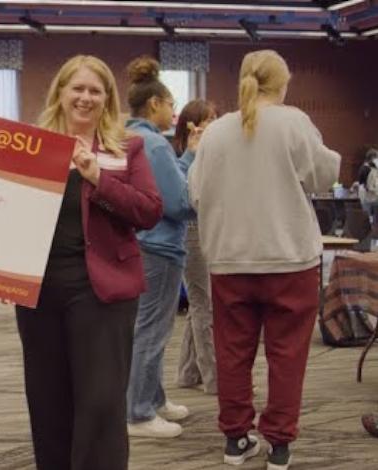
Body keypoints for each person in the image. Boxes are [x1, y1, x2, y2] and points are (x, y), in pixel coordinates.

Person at [189, 50, 340, 470]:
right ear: (283, 83)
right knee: (287, 356)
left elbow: (194, 193)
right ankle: (278, 447)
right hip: (289, 258)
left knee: (232, 354)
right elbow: (325, 176)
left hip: (229, 261)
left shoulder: (216, 132)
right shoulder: (294, 122)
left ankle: (236, 441)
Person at [15, 54, 162, 470]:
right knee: (47, 400)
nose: (85, 97)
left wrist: (98, 176)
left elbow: (149, 210)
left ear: (107, 98)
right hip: (38, 290)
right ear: (60, 93)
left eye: (94, 90)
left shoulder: (127, 147)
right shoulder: (30, 144)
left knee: (100, 402)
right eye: (76, 88)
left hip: (103, 291)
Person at [123, 56, 196, 439]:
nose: (174, 112)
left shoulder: (127, 137)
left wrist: (186, 156)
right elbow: (179, 204)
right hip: (161, 247)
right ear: (155, 104)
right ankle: (138, 412)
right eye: (171, 104)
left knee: (145, 328)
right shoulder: (155, 144)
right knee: (152, 331)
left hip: (138, 245)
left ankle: (153, 398)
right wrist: (193, 162)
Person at [172, 100, 219, 396]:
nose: (216, 123)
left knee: (200, 303)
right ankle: (215, 378)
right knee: (205, 306)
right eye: (209, 118)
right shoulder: (183, 157)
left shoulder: (207, 155)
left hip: (205, 231)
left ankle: (189, 373)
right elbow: (183, 194)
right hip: (192, 232)